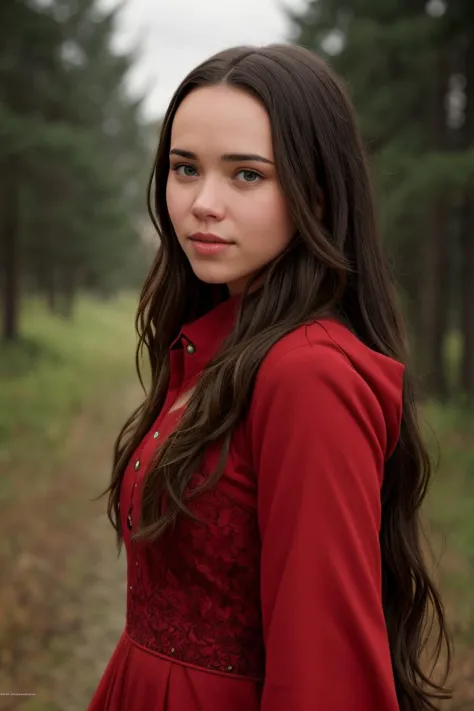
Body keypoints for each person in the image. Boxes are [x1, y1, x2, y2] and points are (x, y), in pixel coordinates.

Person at [87, 44, 451, 711]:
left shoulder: (307, 376)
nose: (202, 202)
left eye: (246, 175)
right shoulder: (218, 347)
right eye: (184, 168)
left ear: (315, 189)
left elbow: (326, 672)